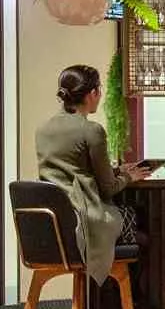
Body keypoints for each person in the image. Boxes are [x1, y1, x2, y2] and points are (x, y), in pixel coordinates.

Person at [36, 65, 150, 287]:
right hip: (86, 219)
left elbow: (71, 170)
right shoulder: (92, 130)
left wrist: (117, 170)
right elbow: (108, 188)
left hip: (57, 225)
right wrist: (129, 177)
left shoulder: (43, 129)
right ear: (93, 93)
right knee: (142, 233)